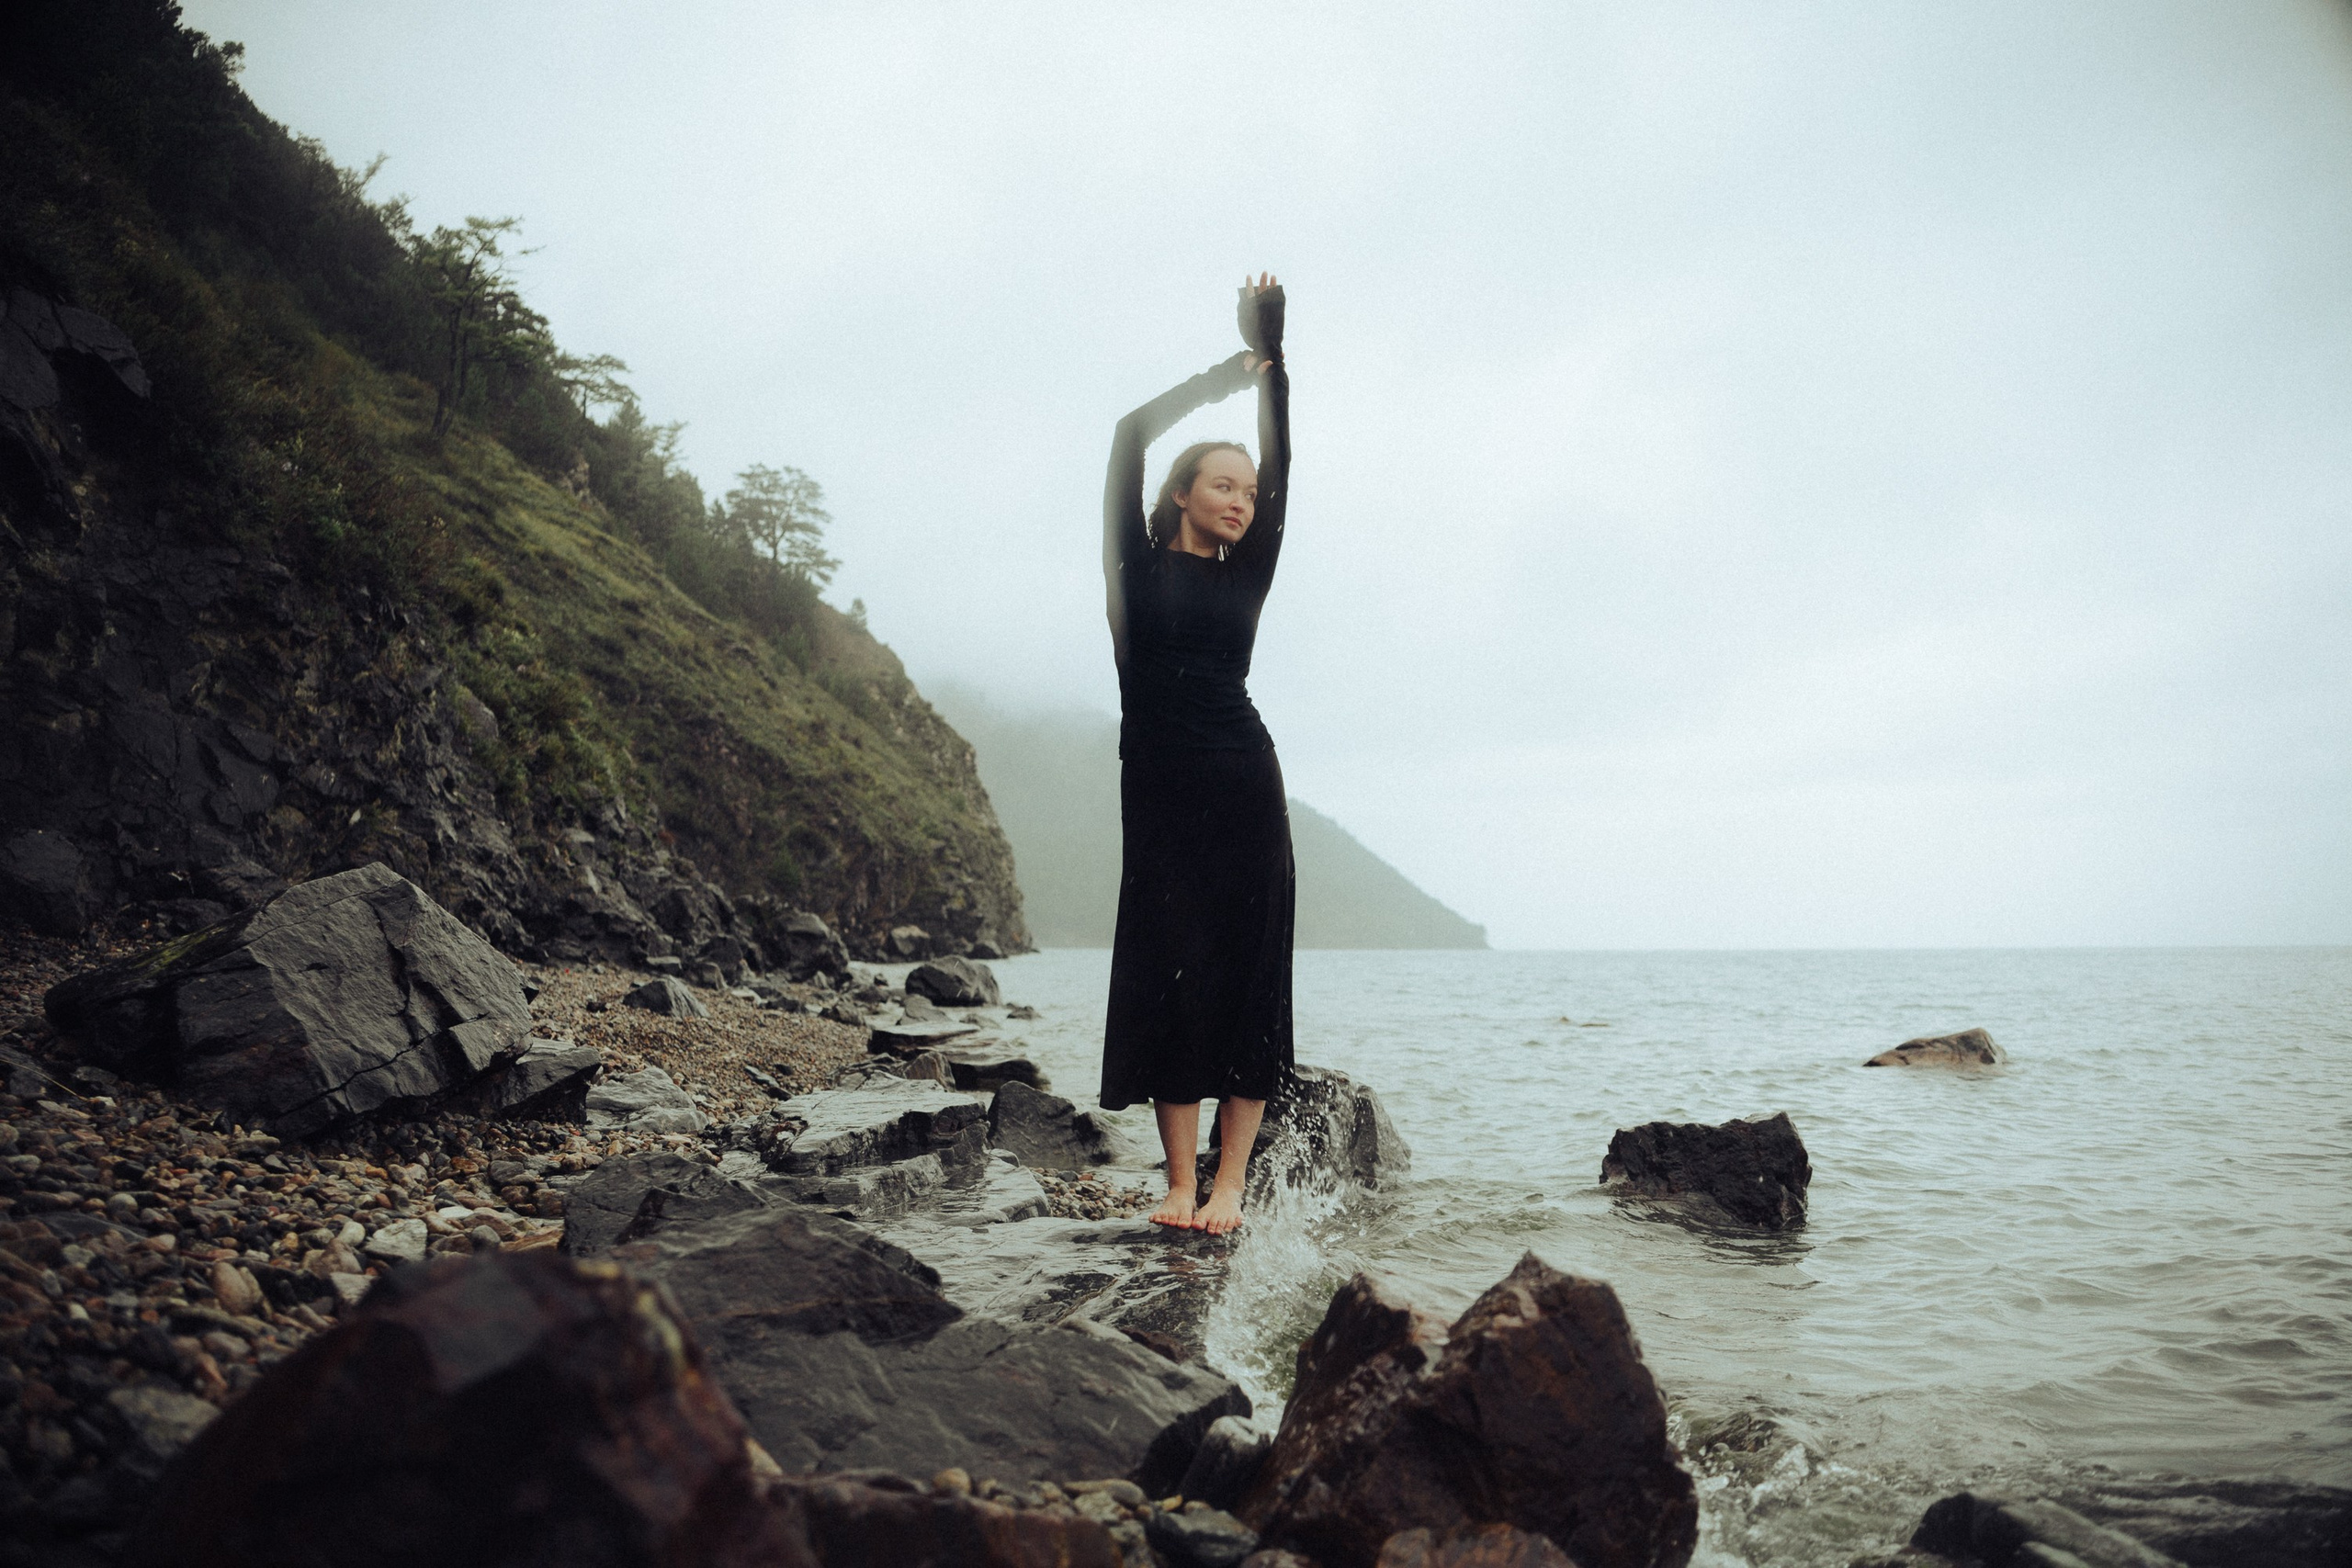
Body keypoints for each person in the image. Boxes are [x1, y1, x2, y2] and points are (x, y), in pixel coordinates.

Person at [1099, 274, 1292, 1235]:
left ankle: (1229, 1185)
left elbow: (1284, 461)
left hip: (1245, 782)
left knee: (1251, 972)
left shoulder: (1251, 569)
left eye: (1249, 494)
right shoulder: (1132, 566)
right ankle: (1179, 1182)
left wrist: (1275, 365)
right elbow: (1129, 430)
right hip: (1162, 790)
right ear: (1181, 493)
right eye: (1223, 484)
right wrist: (1225, 373)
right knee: (1170, 969)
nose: (1242, 502)